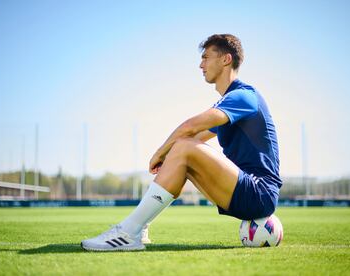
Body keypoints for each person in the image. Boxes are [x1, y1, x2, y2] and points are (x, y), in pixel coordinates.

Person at [81, 34, 282, 251]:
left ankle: (128, 233)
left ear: (226, 59)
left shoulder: (244, 96)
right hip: (243, 190)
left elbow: (190, 127)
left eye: (206, 57)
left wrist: (160, 152)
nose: (200, 64)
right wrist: (169, 160)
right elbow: (194, 137)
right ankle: (139, 227)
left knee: (183, 147)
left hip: (259, 192)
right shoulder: (229, 103)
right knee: (183, 148)